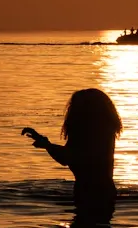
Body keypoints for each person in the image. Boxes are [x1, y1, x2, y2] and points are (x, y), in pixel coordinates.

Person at [22, 88, 122, 217]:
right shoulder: (101, 133)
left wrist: (47, 145)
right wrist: (46, 144)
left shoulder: (95, 134)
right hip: (99, 195)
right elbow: (69, 155)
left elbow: (69, 157)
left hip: (93, 196)